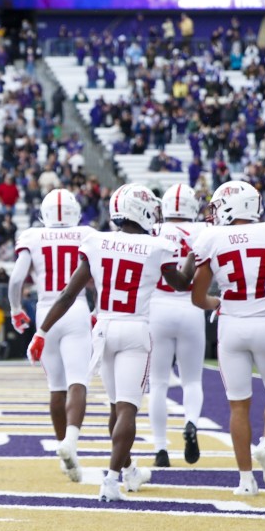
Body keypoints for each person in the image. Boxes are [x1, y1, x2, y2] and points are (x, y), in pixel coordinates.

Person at [40, 184, 193, 502]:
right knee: (126, 409)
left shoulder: (95, 240)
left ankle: (129, 472)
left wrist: (42, 331)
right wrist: (193, 258)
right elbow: (181, 283)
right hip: (136, 329)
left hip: (104, 328)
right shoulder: (156, 246)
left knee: (116, 407)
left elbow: (69, 294)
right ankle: (111, 480)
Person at [190, 181, 265, 495]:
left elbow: (198, 296)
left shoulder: (211, 237)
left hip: (231, 326)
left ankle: (245, 481)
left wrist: (217, 303)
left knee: (238, 406)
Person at [7, 188, 93, 483]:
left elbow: (17, 278)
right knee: (78, 381)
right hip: (77, 309)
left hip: (46, 312)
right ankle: (70, 440)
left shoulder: (32, 236)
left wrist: (16, 308)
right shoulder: (87, 234)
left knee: (56, 388)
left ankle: (63, 449)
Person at [148, 183, 207, 468]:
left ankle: (160, 449)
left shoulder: (153, 231)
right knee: (192, 380)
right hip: (192, 307)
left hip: (157, 306)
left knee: (158, 383)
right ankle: (191, 422)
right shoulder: (205, 232)